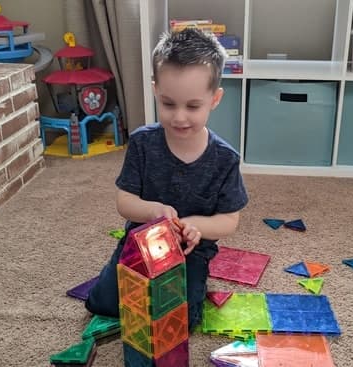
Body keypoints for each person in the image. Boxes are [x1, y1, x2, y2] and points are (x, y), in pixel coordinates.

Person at [85, 27, 249, 331]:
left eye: (193, 106)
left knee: (181, 322)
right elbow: (125, 201)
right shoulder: (142, 143)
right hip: (141, 242)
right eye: (169, 103)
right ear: (155, 91)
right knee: (104, 305)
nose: (180, 117)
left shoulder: (225, 158)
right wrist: (154, 212)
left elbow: (229, 220)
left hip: (191, 249)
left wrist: (194, 226)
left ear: (215, 99)